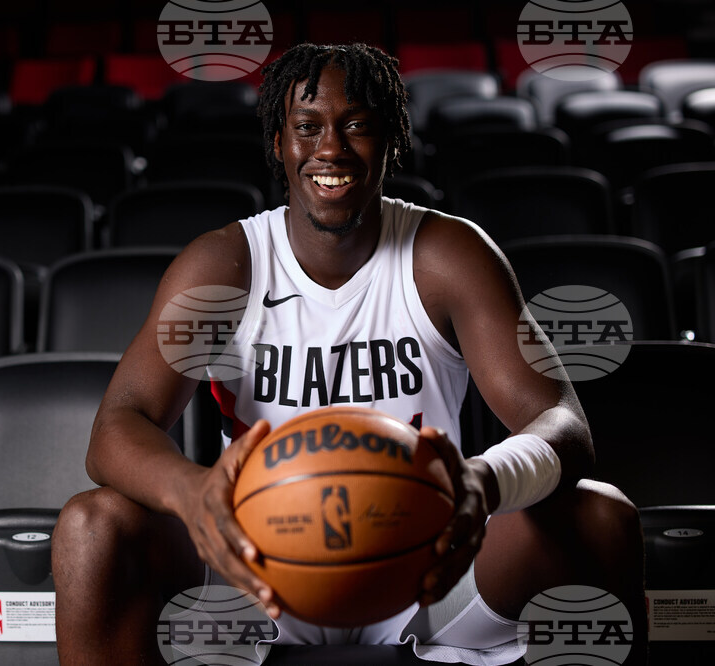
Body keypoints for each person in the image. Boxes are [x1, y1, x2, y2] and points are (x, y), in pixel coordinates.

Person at [53, 43, 646, 664]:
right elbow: (115, 429)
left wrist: (482, 482)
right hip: (257, 571)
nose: (330, 149)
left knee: (602, 518)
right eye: (307, 128)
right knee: (92, 527)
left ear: (391, 140)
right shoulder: (225, 266)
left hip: (426, 567)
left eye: (356, 125)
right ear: (279, 143)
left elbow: (564, 425)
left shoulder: (447, 254)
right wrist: (192, 491)